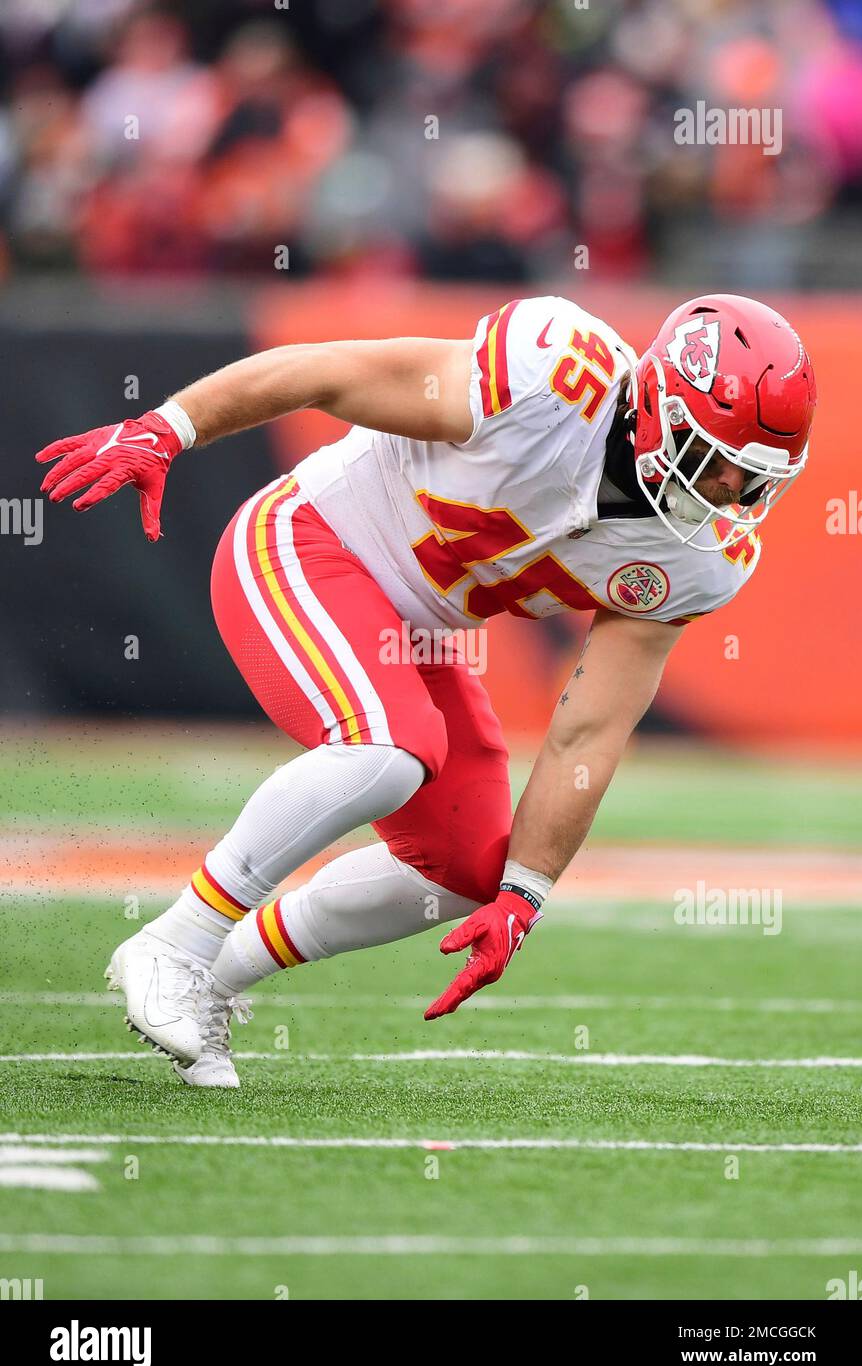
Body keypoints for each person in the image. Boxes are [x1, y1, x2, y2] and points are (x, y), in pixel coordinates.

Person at [37, 293, 816, 1087]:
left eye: (753, 476)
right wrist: (171, 427)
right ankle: (175, 942)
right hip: (306, 542)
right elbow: (329, 373)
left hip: (408, 628)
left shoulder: (700, 558)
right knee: (391, 748)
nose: (727, 490)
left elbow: (592, 729)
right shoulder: (548, 376)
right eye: (718, 457)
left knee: (469, 869)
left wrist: (527, 893)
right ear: (657, 404)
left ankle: (212, 977)